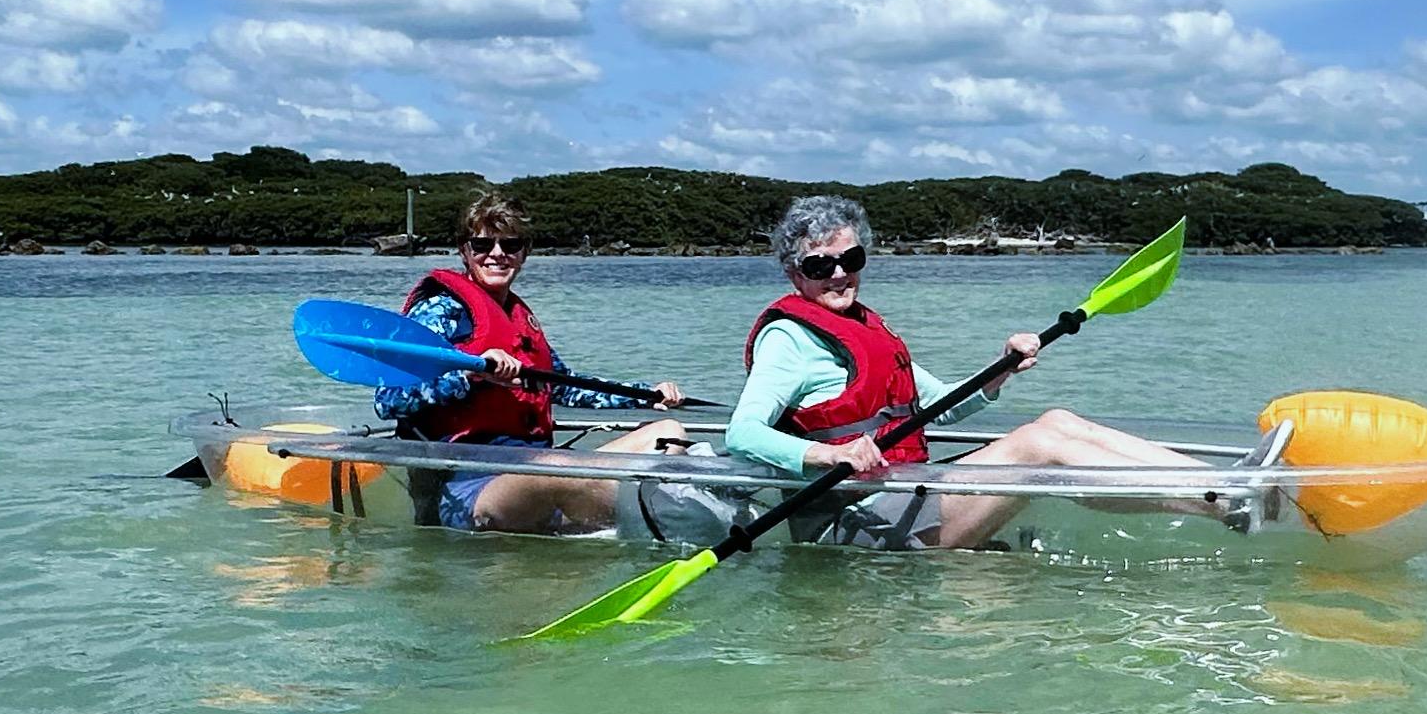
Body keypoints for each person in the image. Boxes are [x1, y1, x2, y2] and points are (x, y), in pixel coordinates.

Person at [725, 193, 1227, 550]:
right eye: (820, 266)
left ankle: (1225, 482)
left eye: (851, 258)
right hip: (852, 521)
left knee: (1057, 421)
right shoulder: (788, 338)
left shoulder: (864, 326)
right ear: (794, 273)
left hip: (902, 490)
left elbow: (939, 406)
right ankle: (1222, 505)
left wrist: (999, 371)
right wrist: (829, 452)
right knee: (1036, 448)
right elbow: (742, 433)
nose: (839, 274)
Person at [370, 193, 687, 533]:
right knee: (558, 469)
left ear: (524, 253)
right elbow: (388, 400)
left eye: (510, 245)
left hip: (537, 471)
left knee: (669, 433)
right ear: (464, 251)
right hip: (469, 486)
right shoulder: (440, 311)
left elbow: (565, 385)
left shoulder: (518, 317)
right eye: (482, 244)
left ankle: (637, 518)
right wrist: (472, 373)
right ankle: (645, 524)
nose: (497, 254)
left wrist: (645, 395)